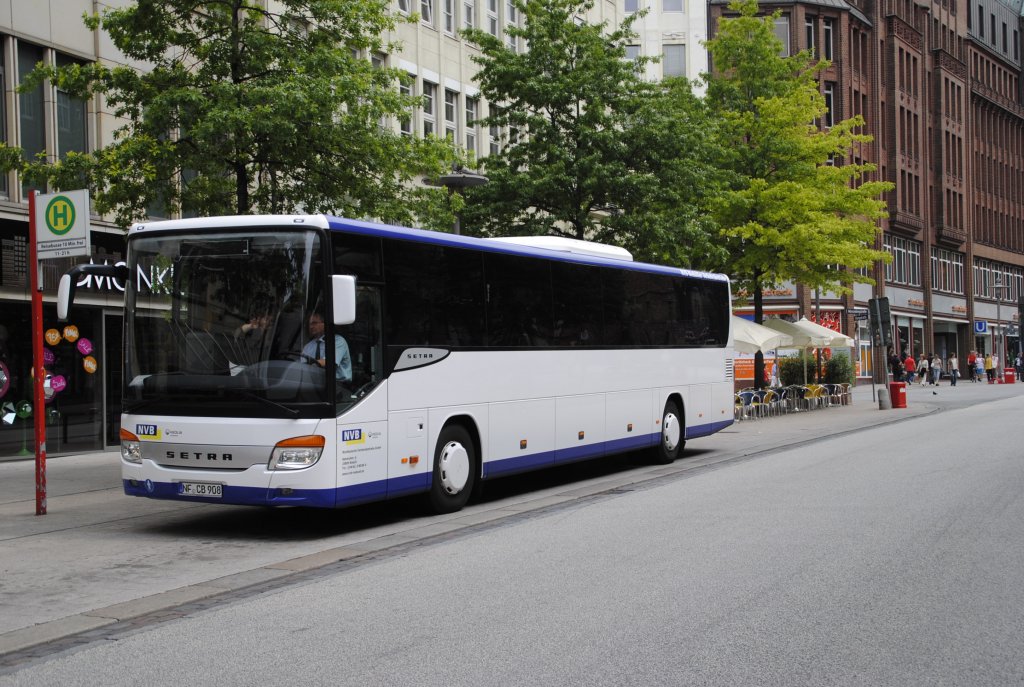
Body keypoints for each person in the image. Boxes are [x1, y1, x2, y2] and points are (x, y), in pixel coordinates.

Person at [302, 312, 352, 383]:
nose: (311, 327)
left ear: (324, 324)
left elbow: (329, 362)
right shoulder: (308, 346)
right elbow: (302, 367)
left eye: (314, 323)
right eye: (310, 324)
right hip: (315, 384)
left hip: (338, 385)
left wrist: (309, 364)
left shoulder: (338, 341)